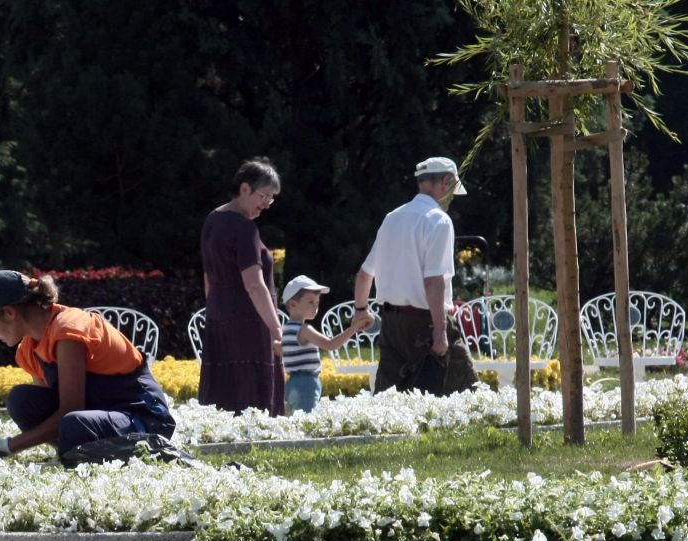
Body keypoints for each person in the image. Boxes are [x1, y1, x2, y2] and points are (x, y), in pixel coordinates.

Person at [0, 270, 175, 463]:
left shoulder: (69, 329)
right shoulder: (27, 350)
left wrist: (8, 446)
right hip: (100, 416)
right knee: (21, 401)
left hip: (143, 418)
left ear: (9, 313)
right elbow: (48, 412)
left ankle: (136, 451)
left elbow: (71, 409)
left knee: (73, 424)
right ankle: (76, 454)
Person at [354, 156, 478, 395]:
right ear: (445, 181)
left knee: (389, 401)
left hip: (391, 324)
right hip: (426, 322)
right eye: (453, 190)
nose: (452, 198)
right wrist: (440, 332)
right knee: (468, 395)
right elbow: (434, 281)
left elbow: (364, 274)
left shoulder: (392, 218)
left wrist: (361, 311)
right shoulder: (439, 220)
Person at [198, 158, 285, 415]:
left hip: (219, 316)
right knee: (251, 399)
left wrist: (215, 310)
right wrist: (275, 326)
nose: (266, 205)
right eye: (264, 196)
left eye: (272, 199)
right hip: (250, 322)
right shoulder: (244, 227)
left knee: (224, 394)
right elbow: (254, 285)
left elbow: (208, 278)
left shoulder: (212, 220)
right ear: (245, 188)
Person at [279, 275, 374, 414]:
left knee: (293, 417)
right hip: (307, 382)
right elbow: (330, 344)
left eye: (317, 302)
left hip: (291, 382)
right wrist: (354, 328)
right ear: (293, 304)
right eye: (311, 302)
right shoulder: (304, 329)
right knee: (307, 418)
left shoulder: (286, 329)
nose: (315, 307)